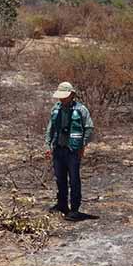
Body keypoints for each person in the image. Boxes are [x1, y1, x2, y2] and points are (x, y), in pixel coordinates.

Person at [44, 82, 94, 221]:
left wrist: (83, 145)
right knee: (60, 179)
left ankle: (75, 209)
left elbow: (89, 128)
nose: (62, 99)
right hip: (58, 149)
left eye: (64, 96)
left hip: (73, 151)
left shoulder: (81, 110)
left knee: (74, 180)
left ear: (72, 95)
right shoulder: (56, 109)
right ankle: (62, 205)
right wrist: (47, 145)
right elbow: (50, 128)